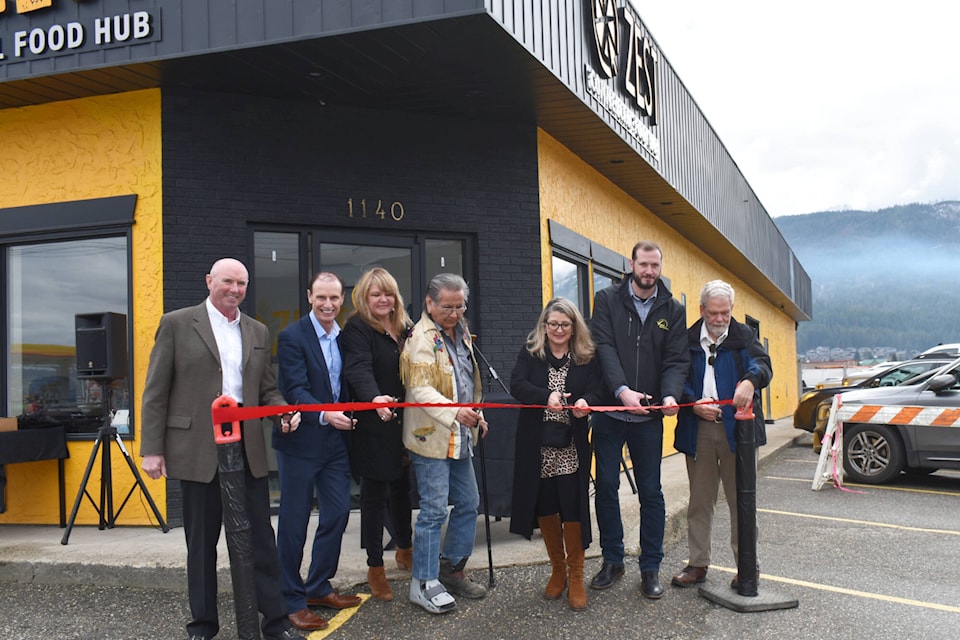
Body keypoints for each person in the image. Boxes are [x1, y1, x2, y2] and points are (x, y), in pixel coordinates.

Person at [140, 257, 302, 640]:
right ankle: (203, 627)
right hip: (197, 453)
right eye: (228, 281)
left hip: (246, 453)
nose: (235, 289)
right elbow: (155, 391)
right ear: (209, 280)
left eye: (242, 283)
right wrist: (152, 449)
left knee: (261, 542)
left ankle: (276, 625)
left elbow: (267, 390)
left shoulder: (259, 330)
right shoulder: (177, 323)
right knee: (201, 547)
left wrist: (283, 412)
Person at [589, 241, 690, 599]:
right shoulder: (606, 300)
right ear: (631, 264)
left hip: (649, 416)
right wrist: (620, 390)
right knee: (605, 488)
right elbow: (604, 347)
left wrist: (670, 395)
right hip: (610, 410)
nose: (649, 272)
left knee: (651, 492)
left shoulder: (673, 309)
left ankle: (650, 568)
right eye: (643, 264)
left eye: (654, 266)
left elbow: (677, 359)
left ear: (660, 267)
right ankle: (612, 560)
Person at [671, 280, 772, 590]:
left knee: (742, 501)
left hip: (738, 432)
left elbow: (764, 366)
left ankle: (746, 567)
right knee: (700, 502)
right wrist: (692, 402)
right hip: (697, 429)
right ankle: (698, 563)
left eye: (725, 313)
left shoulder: (744, 337)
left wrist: (751, 381)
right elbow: (676, 377)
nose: (719, 319)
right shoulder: (686, 340)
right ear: (702, 310)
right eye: (713, 313)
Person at [274, 272, 360, 632]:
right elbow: (295, 389)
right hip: (300, 444)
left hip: (334, 444)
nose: (328, 305)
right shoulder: (292, 336)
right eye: (321, 297)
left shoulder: (345, 338)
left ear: (343, 300)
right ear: (309, 296)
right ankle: (290, 600)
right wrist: (326, 413)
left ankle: (318, 587)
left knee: (338, 512)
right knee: (294, 524)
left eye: (335, 298)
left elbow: (349, 383)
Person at [399, 273, 489, 614]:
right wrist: (457, 414)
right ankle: (422, 582)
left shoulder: (462, 332)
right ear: (429, 303)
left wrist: (476, 414)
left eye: (459, 306)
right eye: (447, 307)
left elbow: (467, 380)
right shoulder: (420, 338)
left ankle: (451, 568)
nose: (454, 313)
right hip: (431, 437)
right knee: (434, 509)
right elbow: (421, 390)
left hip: (461, 434)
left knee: (469, 502)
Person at [508, 298, 602, 610]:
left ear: (574, 327)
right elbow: (517, 385)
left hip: (571, 446)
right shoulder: (531, 352)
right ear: (544, 327)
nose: (558, 330)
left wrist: (585, 402)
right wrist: (545, 396)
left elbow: (598, 389)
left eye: (564, 324)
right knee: (546, 506)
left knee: (572, 507)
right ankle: (558, 570)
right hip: (539, 446)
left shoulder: (586, 356)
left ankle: (576, 575)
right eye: (553, 324)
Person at [341, 267, 415, 602]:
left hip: (404, 421)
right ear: (364, 298)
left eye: (388, 293)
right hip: (374, 421)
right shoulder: (358, 326)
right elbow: (357, 367)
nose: (383, 299)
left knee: (402, 490)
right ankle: (375, 567)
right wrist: (373, 399)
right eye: (376, 294)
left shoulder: (406, 327)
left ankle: (405, 548)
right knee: (374, 496)